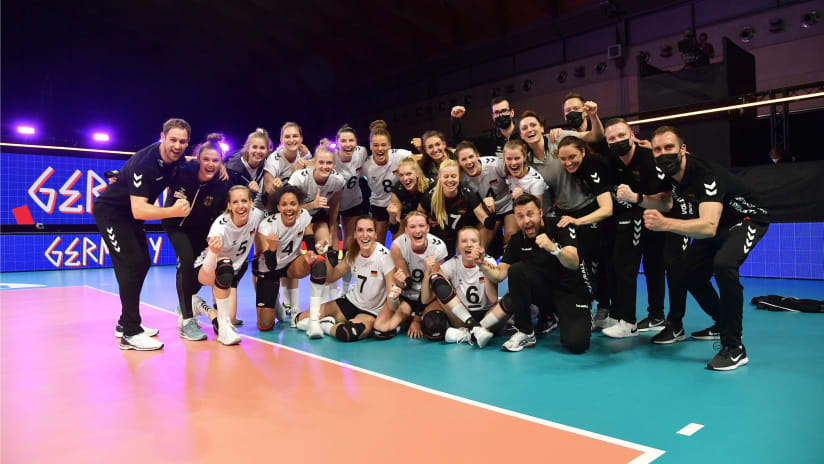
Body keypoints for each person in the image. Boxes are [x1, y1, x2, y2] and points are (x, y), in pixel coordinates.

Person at [642, 126, 769, 370]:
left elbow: (708, 227)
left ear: (683, 149)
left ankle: (734, 347)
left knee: (724, 265)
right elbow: (667, 201)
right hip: (720, 222)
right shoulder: (669, 174)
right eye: (657, 149)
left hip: (747, 218)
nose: (662, 153)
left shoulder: (705, 174)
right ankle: (722, 321)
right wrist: (636, 198)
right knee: (688, 273)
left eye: (669, 147)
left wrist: (664, 224)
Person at [94, 118, 192, 350]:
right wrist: (173, 210)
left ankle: (124, 323)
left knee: (143, 262)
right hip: (112, 214)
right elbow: (139, 210)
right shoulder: (145, 163)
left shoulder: (176, 161)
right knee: (131, 264)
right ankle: (130, 331)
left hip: (128, 215)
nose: (177, 145)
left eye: (183, 141)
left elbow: (194, 160)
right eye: (173, 140)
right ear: (162, 137)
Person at [521, 109, 611, 322]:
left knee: (596, 262)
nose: (529, 130)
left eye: (533, 125)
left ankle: (604, 308)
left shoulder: (559, 138)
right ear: (521, 134)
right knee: (569, 261)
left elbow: (595, 136)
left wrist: (593, 116)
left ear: (542, 127)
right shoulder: (528, 161)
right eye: (524, 128)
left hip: (587, 207)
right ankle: (577, 306)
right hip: (562, 212)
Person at [477, 194, 592, 354]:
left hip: (571, 292)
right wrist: (481, 263)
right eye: (520, 216)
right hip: (544, 293)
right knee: (516, 270)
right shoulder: (517, 240)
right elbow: (499, 274)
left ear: (540, 212)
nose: (526, 221)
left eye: (530, 214)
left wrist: (554, 248)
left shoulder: (560, 225)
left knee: (576, 344)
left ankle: (575, 315)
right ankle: (525, 332)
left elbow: (573, 262)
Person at [601, 118, 670, 337]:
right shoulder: (612, 160)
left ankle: (629, 322)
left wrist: (635, 198)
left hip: (655, 217)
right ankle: (637, 315)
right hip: (629, 218)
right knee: (624, 266)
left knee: (642, 267)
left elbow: (664, 202)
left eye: (621, 135)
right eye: (611, 138)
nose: (617, 141)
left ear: (632, 135)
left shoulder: (648, 160)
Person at [162, 133, 229, 341]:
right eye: (206, 159)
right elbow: (158, 171)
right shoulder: (182, 171)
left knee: (200, 270)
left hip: (202, 232)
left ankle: (184, 306)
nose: (210, 164)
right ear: (198, 159)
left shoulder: (222, 182)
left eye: (215, 161)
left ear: (221, 163)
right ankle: (188, 322)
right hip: (176, 225)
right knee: (186, 261)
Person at [294, 216, 395, 342]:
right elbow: (331, 278)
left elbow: (392, 296)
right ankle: (324, 323)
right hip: (352, 302)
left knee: (347, 332)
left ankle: (324, 325)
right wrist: (323, 255)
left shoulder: (384, 257)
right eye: (360, 230)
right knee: (300, 318)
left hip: (371, 311)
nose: (365, 235)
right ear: (354, 234)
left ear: (375, 234)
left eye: (369, 230)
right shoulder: (353, 253)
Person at [194, 186, 265, 345]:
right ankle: (224, 331)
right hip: (207, 268)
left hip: (232, 272)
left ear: (251, 202)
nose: (241, 206)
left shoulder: (257, 216)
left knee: (230, 318)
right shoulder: (221, 226)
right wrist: (213, 251)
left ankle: (200, 306)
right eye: (235, 202)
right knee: (225, 264)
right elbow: (208, 267)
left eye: (244, 201)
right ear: (229, 206)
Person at [253, 185, 323, 332]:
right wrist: (272, 249)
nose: (289, 208)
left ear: (299, 206)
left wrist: (312, 251)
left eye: (293, 204)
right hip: (269, 269)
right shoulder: (267, 226)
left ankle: (297, 310)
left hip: (290, 264)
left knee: (316, 262)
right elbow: (271, 265)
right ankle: (276, 302)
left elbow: (308, 232)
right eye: (284, 204)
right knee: (265, 325)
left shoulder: (303, 215)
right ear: (278, 207)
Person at [373, 211, 448, 340]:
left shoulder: (438, 247)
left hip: (428, 296)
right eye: (412, 227)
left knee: (435, 327)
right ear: (406, 230)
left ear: (428, 228)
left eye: (421, 226)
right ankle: (406, 318)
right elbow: (407, 284)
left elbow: (431, 288)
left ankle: (415, 317)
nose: (417, 231)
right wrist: (401, 282)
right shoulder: (398, 246)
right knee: (381, 329)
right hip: (408, 297)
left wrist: (417, 319)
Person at [288, 144, 345, 300]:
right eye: (321, 162)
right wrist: (312, 204)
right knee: (291, 258)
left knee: (324, 249)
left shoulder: (337, 180)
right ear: (314, 162)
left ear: (334, 164)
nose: (325, 166)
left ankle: (322, 302)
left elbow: (334, 207)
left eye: (329, 163)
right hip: (295, 218)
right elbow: (289, 209)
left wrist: (333, 232)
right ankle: (290, 302)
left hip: (318, 217)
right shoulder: (299, 178)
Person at [432, 227, 499, 347]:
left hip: (486, 315)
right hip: (463, 317)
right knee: (437, 280)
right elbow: (437, 283)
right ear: (457, 247)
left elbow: (493, 298)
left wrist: (482, 265)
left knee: (512, 296)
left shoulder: (489, 261)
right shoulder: (453, 263)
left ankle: (467, 334)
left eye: (473, 241)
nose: (469, 245)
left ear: (480, 246)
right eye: (464, 241)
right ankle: (476, 329)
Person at [418, 159, 491, 255]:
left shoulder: (467, 195)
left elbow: (485, 222)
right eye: (446, 177)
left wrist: (492, 213)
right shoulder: (430, 196)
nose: (450, 180)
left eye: (453, 176)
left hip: (460, 238)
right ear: (439, 177)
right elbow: (417, 217)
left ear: (459, 177)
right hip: (438, 238)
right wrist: (427, 220)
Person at [456, 141, 517, 247]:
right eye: (464, 159)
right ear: (459, 162)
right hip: (487, 213)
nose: (469, 162)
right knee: (478, 245)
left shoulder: (495, 164)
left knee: (510, 238)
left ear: (478, 156)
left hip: (508, 206)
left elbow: (515, 176)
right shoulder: (460, 177)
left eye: (471, 157)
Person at [362, 120, 413, 245]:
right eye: (376, 145)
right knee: (378, 245)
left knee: (398, 244)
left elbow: (421, 160)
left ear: (389, 145)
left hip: (398, 204)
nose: (380, 149)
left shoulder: (400, 155)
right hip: (377, 205)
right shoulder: (365, 165)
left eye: (383, 145)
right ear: (370, 146)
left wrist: (421, 147)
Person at [332, 125, 370, 296]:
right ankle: (331, 287)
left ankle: (345, 289)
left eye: (351, 140)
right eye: (343, 140)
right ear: (337, 142)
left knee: (349, 244)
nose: (347, 144)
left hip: (353, 202)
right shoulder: (330, 155)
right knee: (331, 246)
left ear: (356, 143)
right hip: (331, 204)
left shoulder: (361, 152)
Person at [449, 96, 522, 158]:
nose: (500, 115)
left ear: (512, 113)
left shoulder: (524, 133)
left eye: (504, 111)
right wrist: (455, 119)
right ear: (493, 116)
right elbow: (460, 141)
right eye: (496, 112)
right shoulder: (490, 138)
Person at [502, 139, 546, 236]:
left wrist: (523, 196)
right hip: (517, 210)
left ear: (524, 157)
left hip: (540, 216)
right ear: (504, 159)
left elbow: (538, 212)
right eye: (509, 159)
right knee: (508, 234)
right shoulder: (504, 170)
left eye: (517, 158)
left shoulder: (535, 181)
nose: (513, 163)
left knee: (513, 233)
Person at [226, 128, 271, 207]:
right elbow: (228, 198)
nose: (258, 151)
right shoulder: (232, 169)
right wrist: (247, 190)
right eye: (254, 147)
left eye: (262, 148)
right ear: (247, 148)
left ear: (268, 150)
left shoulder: (268, 166)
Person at [388, 156, 431, 238]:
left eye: (409, 174)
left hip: (429, 223)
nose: (405, 178)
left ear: (417, 173)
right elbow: (394, 230)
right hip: (406, 221)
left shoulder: (431, 186)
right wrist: (392, 217)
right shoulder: (398, 189)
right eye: (401, 175)